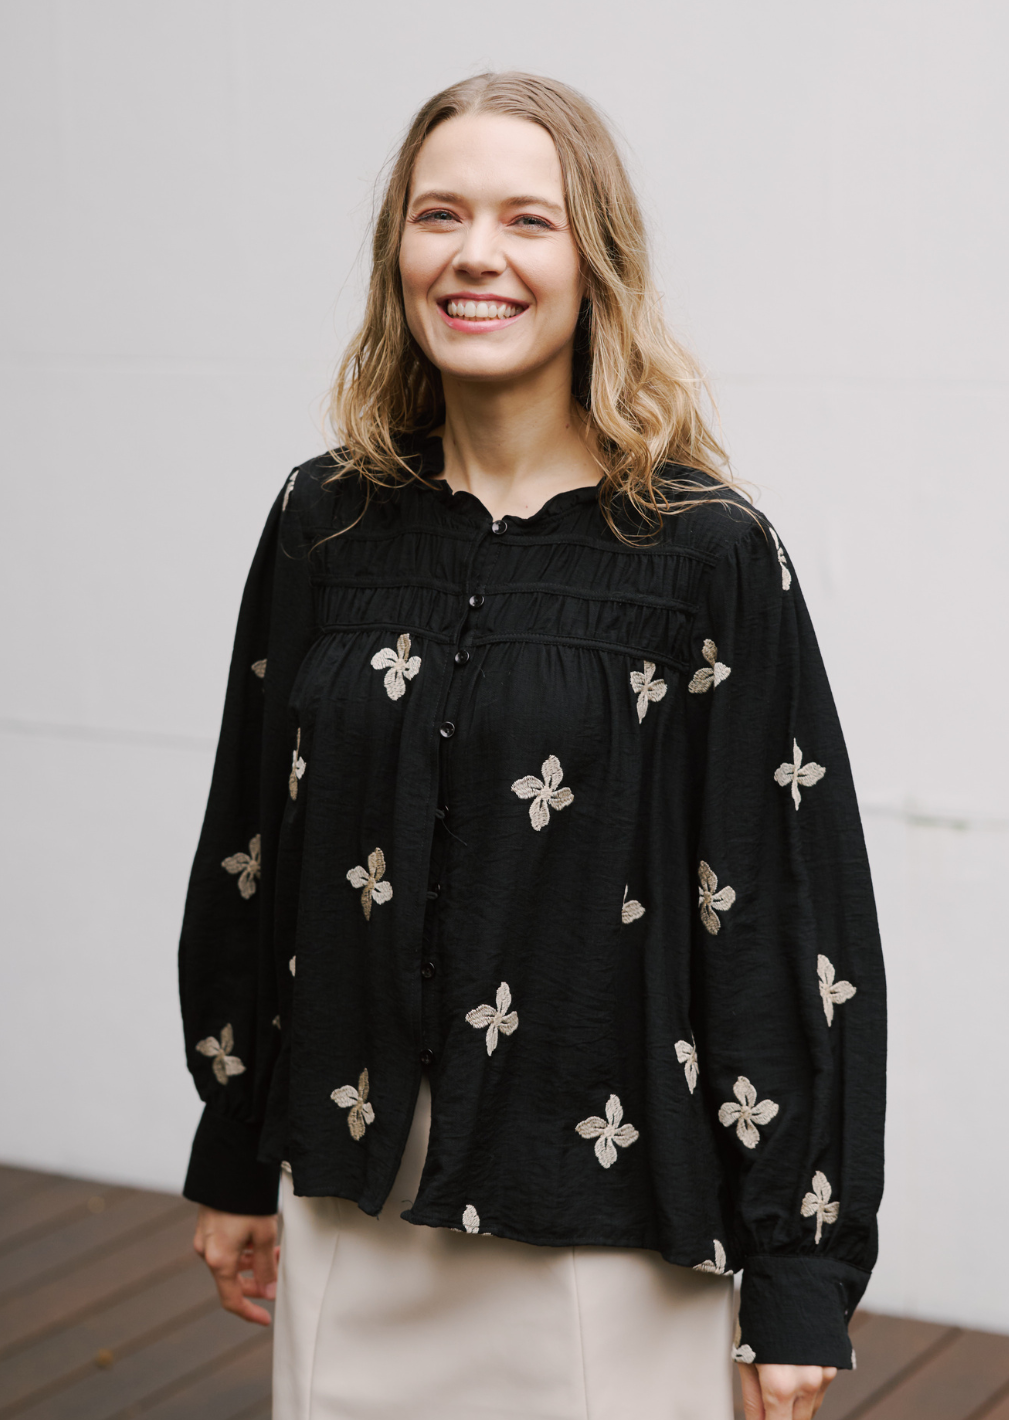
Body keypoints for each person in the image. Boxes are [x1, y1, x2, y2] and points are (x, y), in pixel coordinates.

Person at [179, 71, 886, 1420]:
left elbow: (782, 918)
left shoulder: (706, 554)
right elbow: (251, 852)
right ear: (398, 251)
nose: (476, 255)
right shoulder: (322, 525)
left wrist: (799, 1272)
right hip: (352, 1206)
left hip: (606, 1229)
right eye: (439, 214)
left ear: (594, 261)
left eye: (527, 219)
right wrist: (232, 1146)